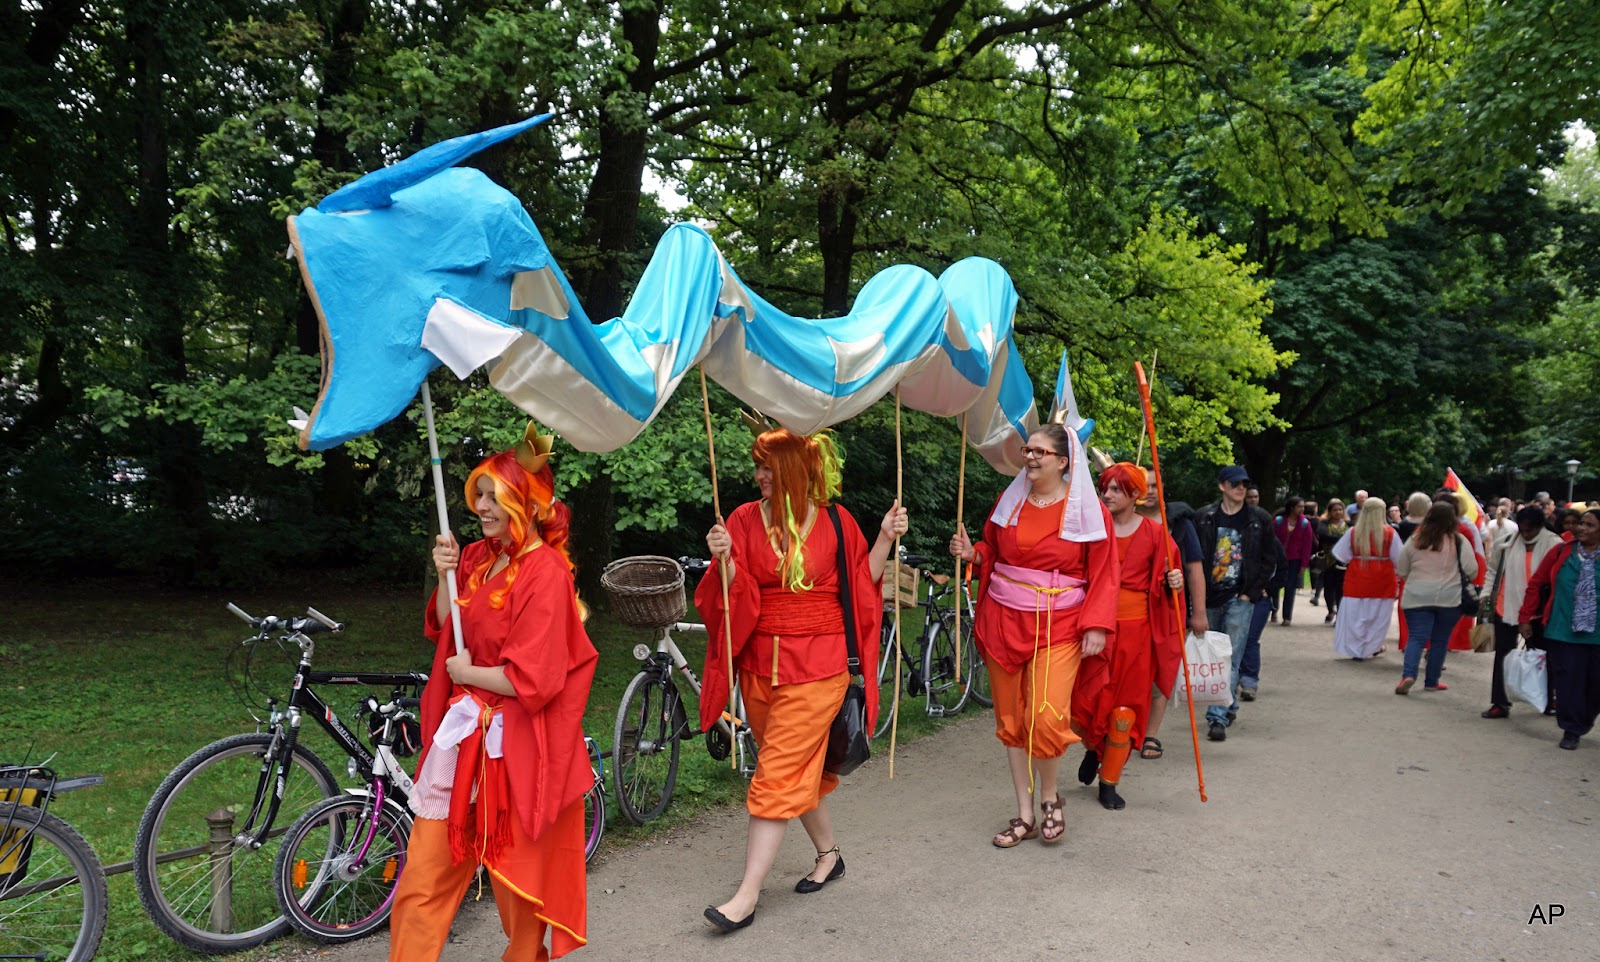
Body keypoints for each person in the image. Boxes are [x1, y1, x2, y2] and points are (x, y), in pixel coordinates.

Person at [389, 436, 598, 962]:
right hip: (463, 740)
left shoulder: (546, 572)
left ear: (525, 504)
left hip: (518, 745)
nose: (480, 506)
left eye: (493, 497)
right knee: (424, 876)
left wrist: (469, 672)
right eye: (478, 495)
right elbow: (447, 624)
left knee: (519, 890)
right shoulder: (477, 557)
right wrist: (446, 574)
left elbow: (538, 679)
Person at [697, 427, 906, 930]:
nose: (758, 475)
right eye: (757, 466)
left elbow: (861, 585)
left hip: (819, 667)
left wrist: (883, 537)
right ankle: (829, 854)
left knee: (774, 776)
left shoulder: (835, 519)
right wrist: (723, 560)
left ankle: (746, 897)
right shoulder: (743, 519)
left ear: (792, 469)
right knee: (793, 770)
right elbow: (735, 594)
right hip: (759, 668)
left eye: (767, 467)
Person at [950, 423, 1117, 846]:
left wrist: (1097, 623)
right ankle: (1024, 814)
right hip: (1004, 620)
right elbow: (994, 549)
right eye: (1027, 449)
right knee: (1011, 721)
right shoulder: (1009, 502)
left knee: (1045, 718)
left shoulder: (1088, 511)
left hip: (1059, 625)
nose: (1029, 457)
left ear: (1063, 461)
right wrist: (974, 554)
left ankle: (1049, 797)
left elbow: (1104, 571)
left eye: (1040, 452)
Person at [1075, 462, 1183, 808]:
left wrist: (1174, 582)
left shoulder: (1157, 534)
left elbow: (1169, 579)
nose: (1106, 495)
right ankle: (1095, 749)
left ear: (1135, 494)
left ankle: (1109, 782)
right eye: (1104, 488)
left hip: (1137, 636)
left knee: (1124, 713)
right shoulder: (1091, 529)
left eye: (1115, 489)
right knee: (1084, 705)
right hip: (1094, 629)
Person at [1192, 465, 1276, 740]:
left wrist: (1250, 592)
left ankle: (1216, 717)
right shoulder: (1204, 517)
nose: (1241, 488)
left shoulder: (1259, 519)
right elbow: (1192, 557)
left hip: (1239, 598)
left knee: (1229, 656)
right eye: (1235, 483)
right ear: (1222, 486)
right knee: (1212, 656)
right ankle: (1229, 705)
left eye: (1245, 484)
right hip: (1209, 596)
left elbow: (1269, 559)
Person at [1133, 466, 1209, 760]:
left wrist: (1198, 613)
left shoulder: (1179, 524)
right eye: (1144, 485)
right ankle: (1124, 729)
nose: (1150, 491)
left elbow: (1194, 569)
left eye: (1155, 485)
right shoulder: (1120, 518)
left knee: (1162, 672)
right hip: (1130, 612)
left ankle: (1150, 734)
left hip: (1167, 611)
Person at [1520, 508, 1600, 749]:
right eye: (1581, 523)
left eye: (1589, 525)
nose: (1581, 528)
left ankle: (1583, 719)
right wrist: (1525, 617)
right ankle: (1571, 729)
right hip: (1563, 631)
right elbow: (1536, 583)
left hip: (1597, 635)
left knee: (1596, 685)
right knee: (1568, 683)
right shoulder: (1562, 551)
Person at [1481, 506, 1563, 718]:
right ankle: (1500, 703)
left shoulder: (1554, 544)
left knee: (1545, 657)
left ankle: (1548, 700)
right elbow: (1493, 571)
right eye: (1522, 530)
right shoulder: (1506, 542)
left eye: (1530, 530)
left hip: (1539, 611)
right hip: (1506, 606)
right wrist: (1486, 595)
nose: (1525, 534)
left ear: (1540, 526)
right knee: (1503, 656)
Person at [1394, 501, 1478, 695]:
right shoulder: (1458, 541)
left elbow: (1402, 569)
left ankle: (1408, 675)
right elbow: (1472, 570)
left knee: (1416, 637)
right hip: (1449, 598)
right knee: (1440, 640)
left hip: (1417, 596)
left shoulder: (1415, 539)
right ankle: (1432, 680)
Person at [1331, 498, 1400, 660]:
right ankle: (1371, 646)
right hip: (1382, 580)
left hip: (1357, 577)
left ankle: (1356, 648)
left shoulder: (1354, 531)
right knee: (1378, 617)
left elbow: (1340, 554)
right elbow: (1399, 558)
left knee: (1355, 616)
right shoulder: (1390, 533)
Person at [1270, 496, 1315, 626]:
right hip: (1278, 559)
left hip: (1294, 560)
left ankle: (1287, 617)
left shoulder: (1305, 524)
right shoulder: (1278, 521)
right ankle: (1274, 610)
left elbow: (1307, 546)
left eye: (1303, 506)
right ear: (1291, 507)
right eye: (1299, 506)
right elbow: (1270, 540)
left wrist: (1304, 565)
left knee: (1290, 588)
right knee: (1275, 586)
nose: (1302, 509)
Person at [1316, 499, 1350, 625]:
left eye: (1340, 510)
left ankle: (1340, 615)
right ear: (1330, 511)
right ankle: (1331, 610)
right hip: (1328, 560)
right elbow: (1323, 535)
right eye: (1335, 510)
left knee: (1341, 589)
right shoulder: (1324, 523)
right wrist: (1342, 539)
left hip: (1344, 561)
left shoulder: (1349, 524)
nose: (1338, 512)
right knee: (1329, 588)